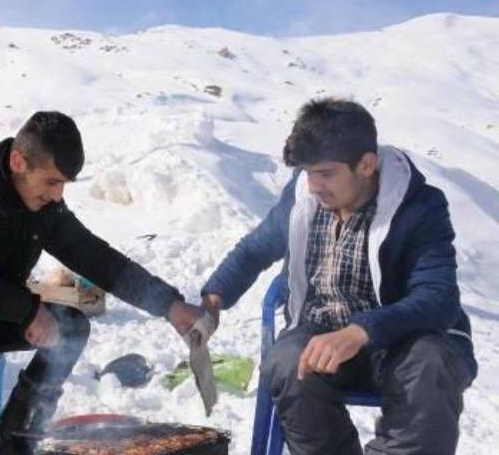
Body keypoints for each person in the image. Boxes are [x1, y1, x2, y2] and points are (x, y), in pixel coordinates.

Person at [0, 111, 204, 455]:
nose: (57, 195)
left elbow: (94, 256)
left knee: (70, 328)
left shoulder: (41, 203)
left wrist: (168, 304)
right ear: (18, 162)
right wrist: (26, 309)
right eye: (52, 182)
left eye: (63, 185)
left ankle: (10, 447)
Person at [201, 98, 477, 455]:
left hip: (404, 343)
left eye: (326, 173)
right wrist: (214, 299)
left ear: (366, 165)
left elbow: (437, 298)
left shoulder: (418, 207)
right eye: (308, 173)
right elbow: (254, 250)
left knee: (430, 364)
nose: (314, 185)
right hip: (321, 334)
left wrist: (361, 331)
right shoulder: (303, 199)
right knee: (288, 362)